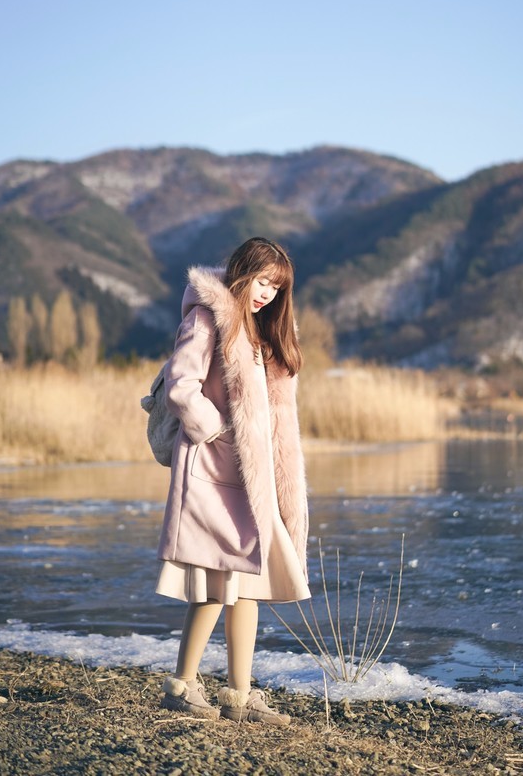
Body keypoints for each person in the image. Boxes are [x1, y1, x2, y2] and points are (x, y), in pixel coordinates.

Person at [155, 236, 310, 726]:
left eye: (276, 286)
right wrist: (217, 430)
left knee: (250, 583)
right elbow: (182, 385)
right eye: (261, 280)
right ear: (243, 273)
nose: (266, 292)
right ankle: (182, 684)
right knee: (214, 582)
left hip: (257, 478)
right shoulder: (208, 318)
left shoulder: (267, 334)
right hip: (216, 471)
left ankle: (239, 695)